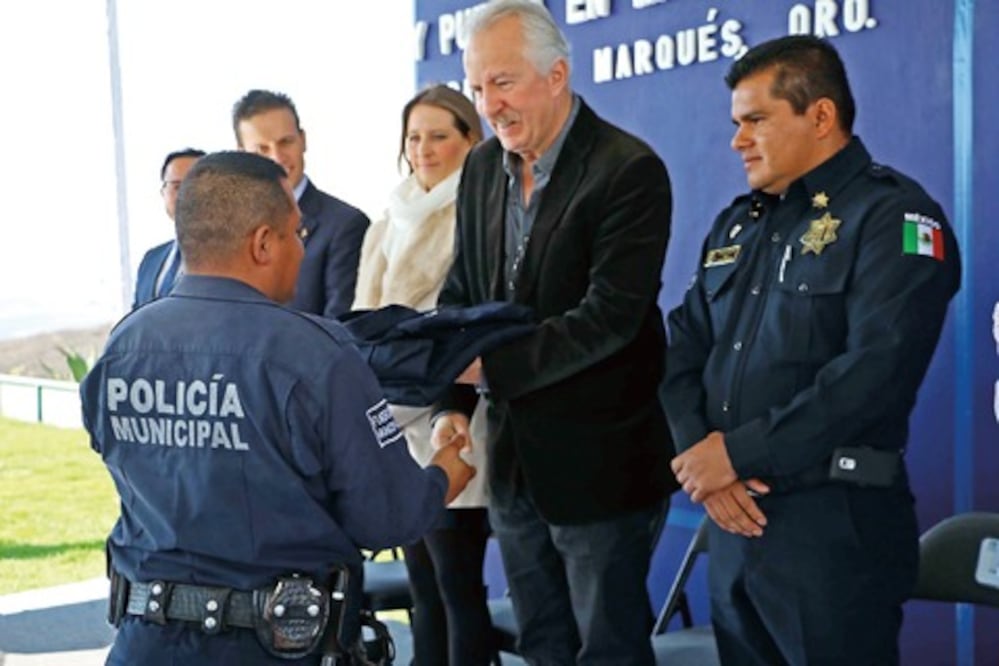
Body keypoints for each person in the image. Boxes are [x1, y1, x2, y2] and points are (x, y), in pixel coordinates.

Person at [81, 151, 476, 665]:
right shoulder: (317, 354)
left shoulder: (123, 346)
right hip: (276, 647)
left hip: (144, 644)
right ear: (263, 243)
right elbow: (387, 518)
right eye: (296, 234)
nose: (300, 249)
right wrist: (444, 475)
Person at [662, 35, 961, 665]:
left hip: (833, 532)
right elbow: (681, 348)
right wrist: (704, 460)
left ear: (820, 116)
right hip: (735, 524)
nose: (738, 140)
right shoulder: (737, 224)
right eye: (735, 124)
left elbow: (874, 373)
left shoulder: (895, 218)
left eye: (756, 121)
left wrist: (736, 453)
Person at [430, 2, 677, 663]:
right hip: (512, 463)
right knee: (542, 644)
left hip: (599, 465)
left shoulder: (628, 170)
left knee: (608, 649)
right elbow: (463, 292)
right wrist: (451, 403)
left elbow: (610, 319)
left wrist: (488, 371)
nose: (489, 105)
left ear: (557, 74)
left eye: (502, 82)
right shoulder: (482, 167)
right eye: (478, 88)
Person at [352, 84, 492, 665]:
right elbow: (365, 321)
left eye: (439, 135)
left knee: (458, 590)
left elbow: (462, 326)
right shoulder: (387, 221)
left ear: (470, 139)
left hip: (457, 420)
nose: (424, 149)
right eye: (414, 137)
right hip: (393, 426)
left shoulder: (480, 217)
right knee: (424, 591)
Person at [233, 89, 369, 317]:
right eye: (262, 149)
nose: (277, 157)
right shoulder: (229, 227)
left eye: (286, 142)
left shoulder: (345, 225)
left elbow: (340, 329)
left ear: (303, 140)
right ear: (241, 154)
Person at [132, 148, 205, 309]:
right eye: (177, 187)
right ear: (163, 193)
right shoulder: (151, 259)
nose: (186, 194)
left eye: (195, 186)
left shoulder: (232, 258)